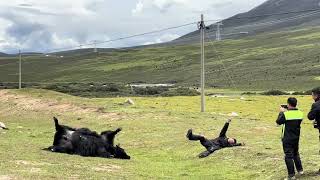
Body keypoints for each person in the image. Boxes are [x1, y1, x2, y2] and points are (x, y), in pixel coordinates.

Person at [276, 97, 304, 180]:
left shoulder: (286, 114)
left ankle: (291, 175)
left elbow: (278, 122)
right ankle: (300, 170)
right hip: (296, 137)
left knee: (288, 156)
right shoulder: (300, 113)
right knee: (296, 153)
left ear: (288, 104)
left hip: (287, 138)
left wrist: (281, 112)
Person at [307, 87, 320, 174]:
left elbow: (310, 116)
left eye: (312, 95)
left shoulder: (316, 105)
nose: (312, 96)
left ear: (316, 95)